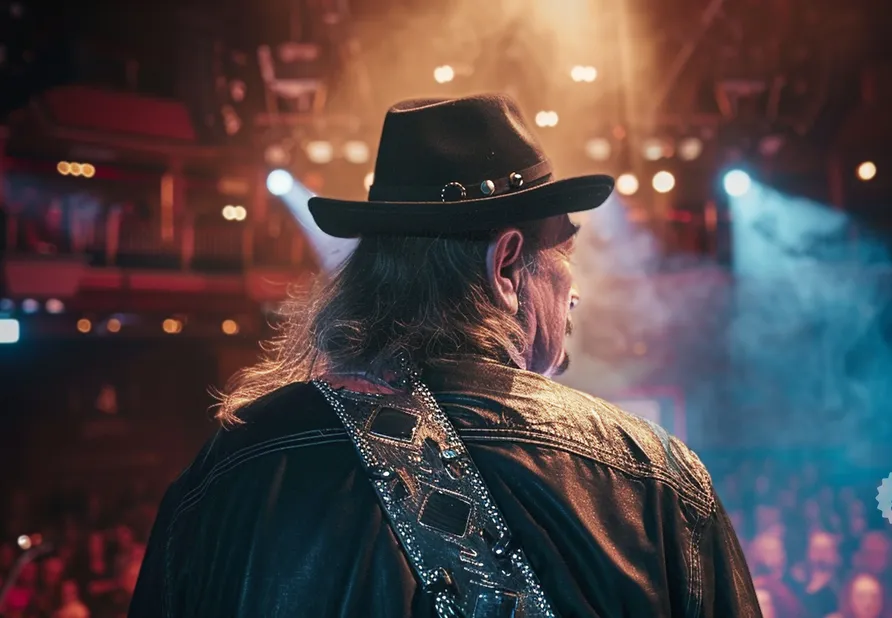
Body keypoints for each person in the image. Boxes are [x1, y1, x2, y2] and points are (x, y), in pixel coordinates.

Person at [128, 94, 759, 617]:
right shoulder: (653, 480)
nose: (575, 289)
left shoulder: (229, 471)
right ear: (506, 264)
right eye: (565, 251)